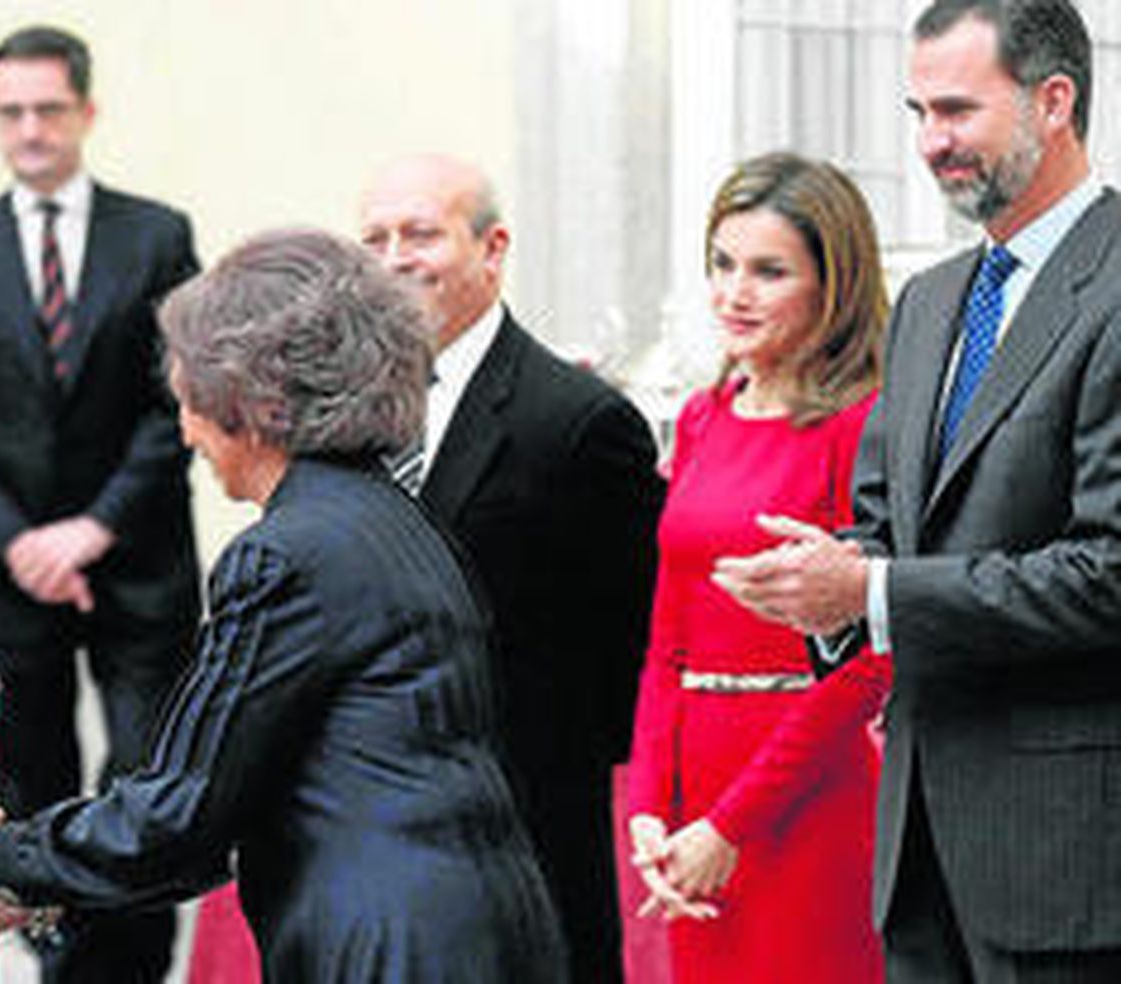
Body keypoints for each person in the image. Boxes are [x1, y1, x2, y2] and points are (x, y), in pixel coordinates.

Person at [0, 227, 571, 982]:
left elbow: (181, 811)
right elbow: (229, 811)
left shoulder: (285, 554)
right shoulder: (392, 520)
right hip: (484, 930)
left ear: (254, 401)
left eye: (189, 396)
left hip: (390, 945)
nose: (186, 427)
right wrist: (29, 884)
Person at [712, 2, 1121, 980]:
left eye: (956, 111)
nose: (931, 144)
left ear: (1052, 100)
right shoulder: (933, 301)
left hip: (1070, 863)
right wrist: (826, 582)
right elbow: (888, 529)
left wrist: (873, 594)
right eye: (917, 114)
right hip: (914, 847)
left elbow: (1109, 571)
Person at [0, 24, 200, 981]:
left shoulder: (156, 237)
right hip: (2, 566)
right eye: (10, 113)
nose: (29, 130)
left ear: (86, 112)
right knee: (23, 787)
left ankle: (124, 965)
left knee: (146, 780)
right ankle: (51, 955)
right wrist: (25, 543)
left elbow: (178, 403)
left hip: (135, 559)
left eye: (47, 110)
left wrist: (92, 528)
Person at [358, 154, 663, 981]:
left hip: (525, 838)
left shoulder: (581, 422)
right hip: (373, 841)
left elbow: (620, 653)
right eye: (374, 237)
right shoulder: (345, 412)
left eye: (420, 233)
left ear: (492, 248)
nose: (392, 258)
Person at [623, 152, 890, 983]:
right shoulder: (704, 417)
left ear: (831, 286)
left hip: (807, 801)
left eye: (768, 272)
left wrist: (730, 825)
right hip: (689, 804)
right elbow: (667, 640)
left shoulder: (865, 425)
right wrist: (647, 808)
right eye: (722, 264)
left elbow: (868, 660)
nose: (733, 293)